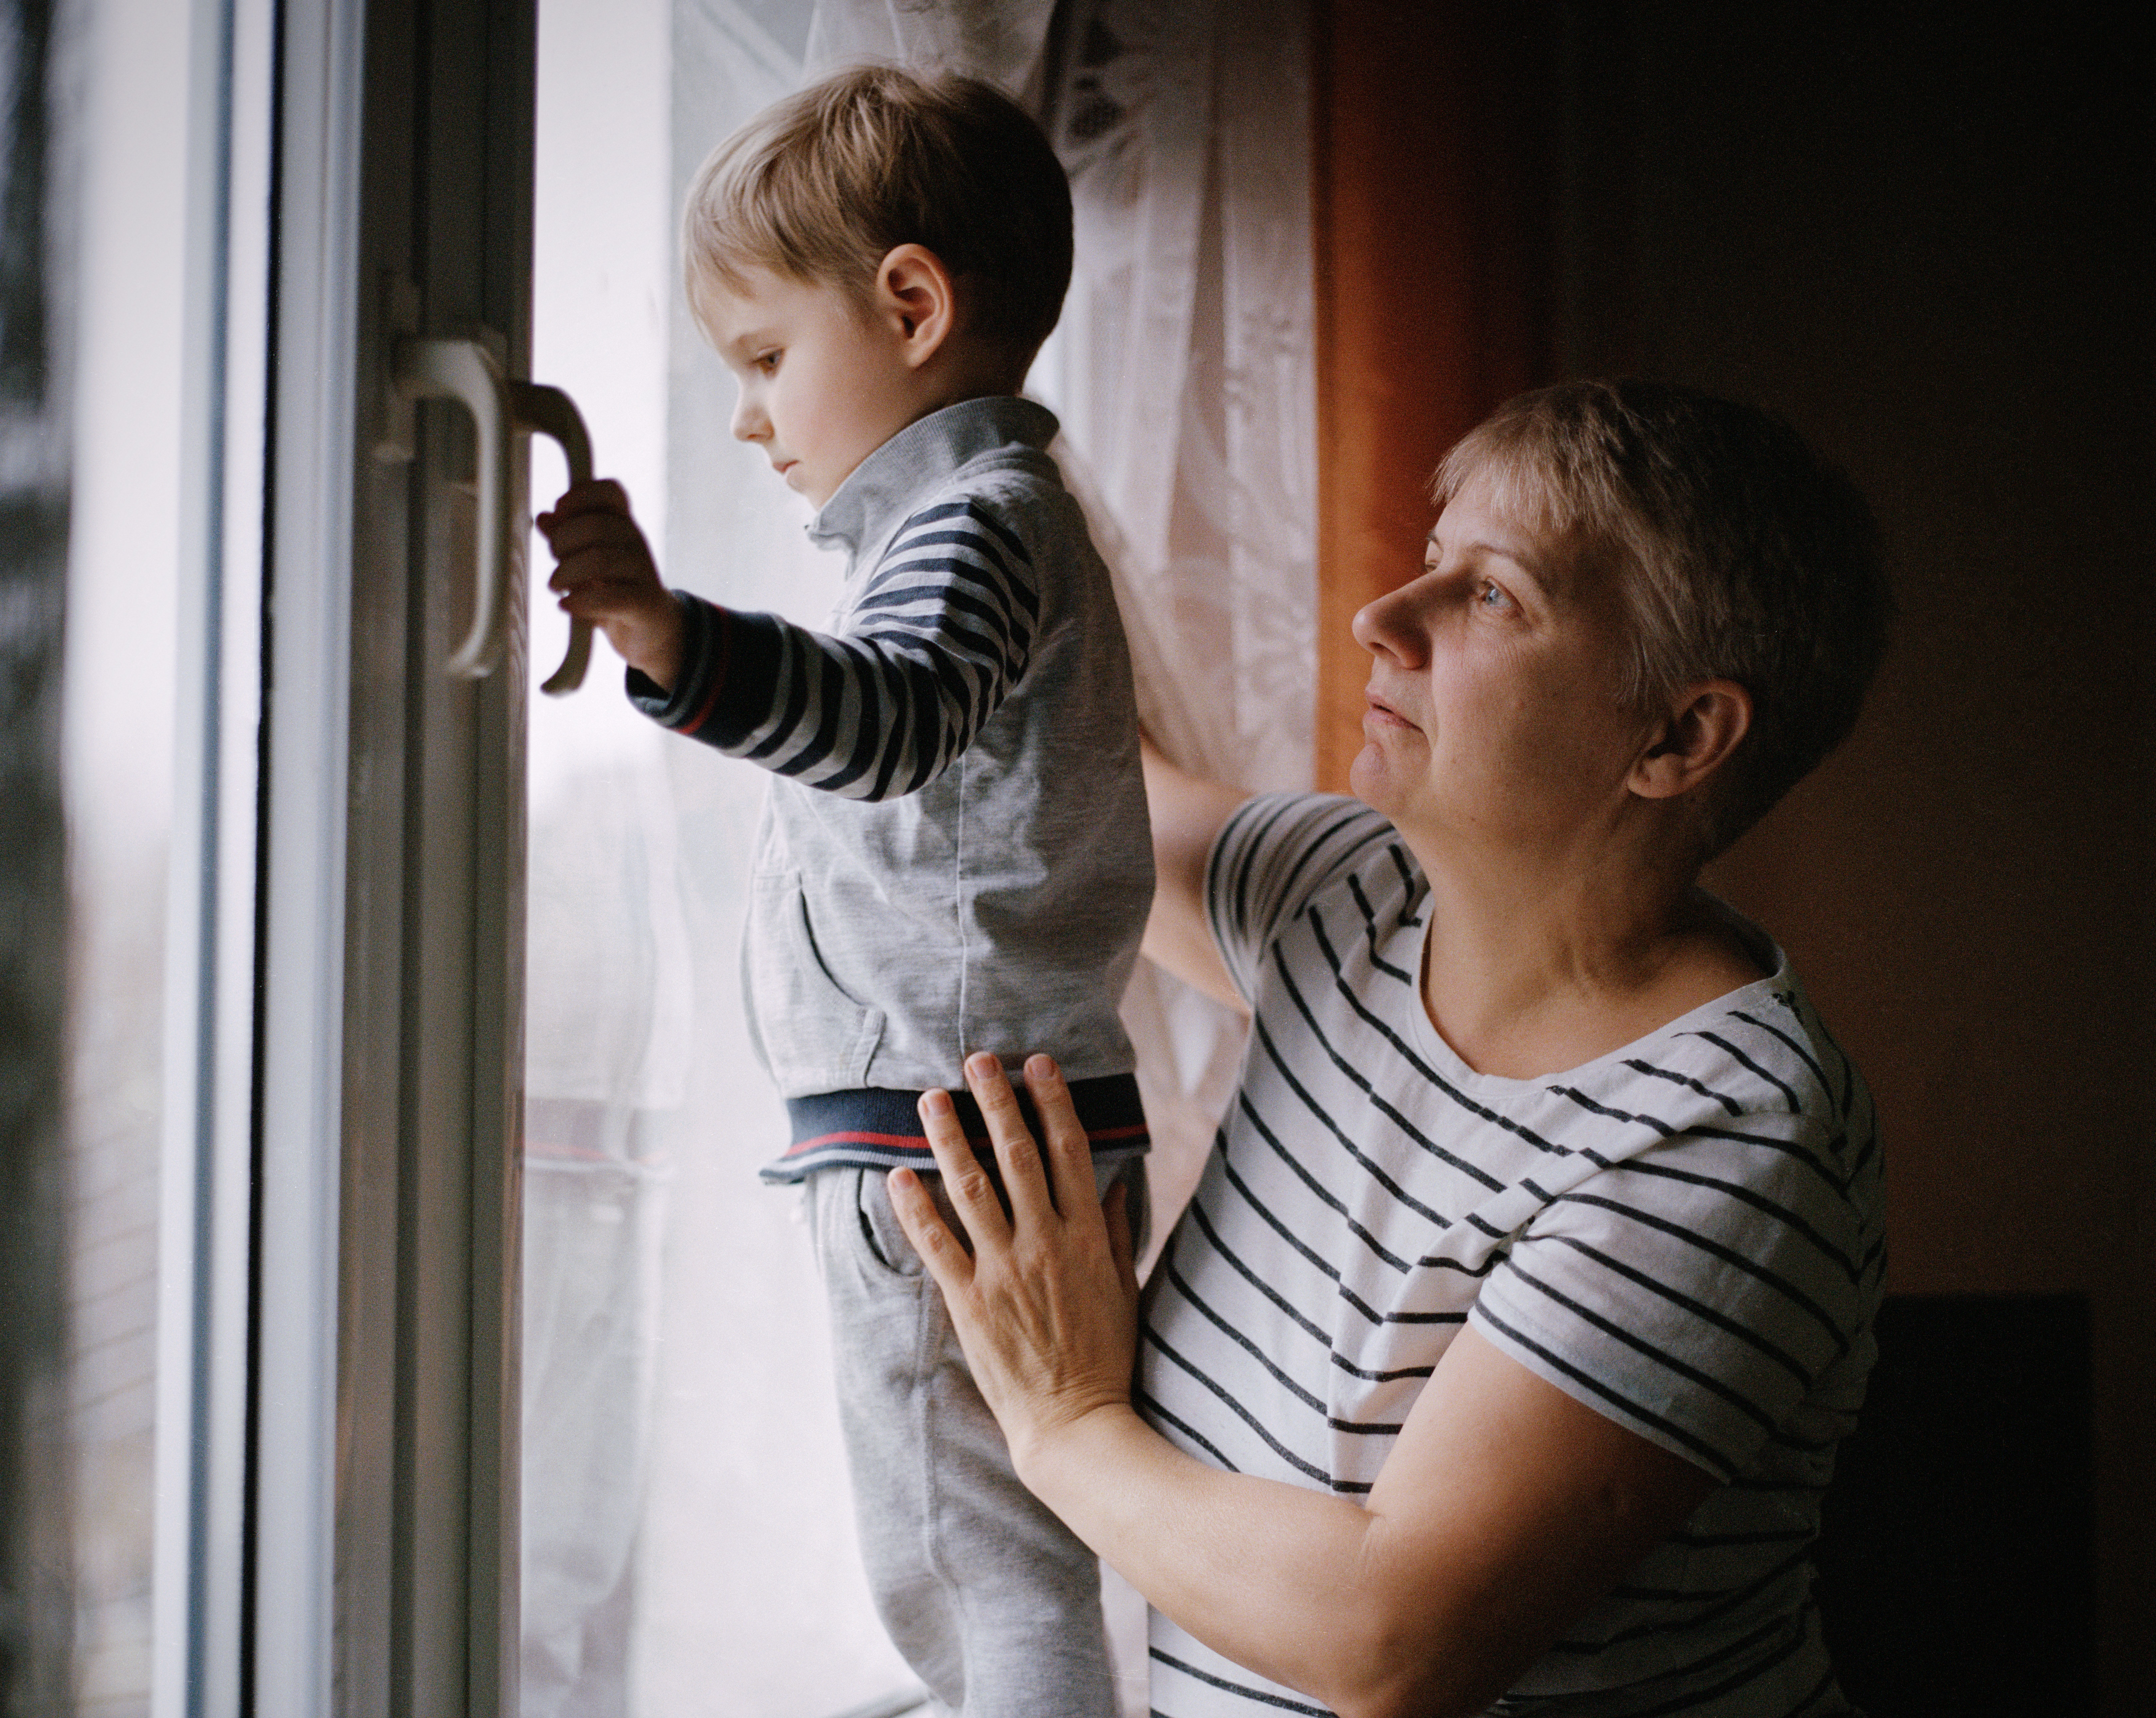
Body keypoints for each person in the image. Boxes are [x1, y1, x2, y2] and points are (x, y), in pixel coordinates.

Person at [888, 380, 1891, 1717]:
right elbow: (1081, 772)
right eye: (1434, 564)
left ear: (1677, 736)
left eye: (1491, 596)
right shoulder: (1346, 896)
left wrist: (1063, 1426)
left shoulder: (1731, 1143)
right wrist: (956, 468)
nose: (1381, 619)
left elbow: (1391, 1644)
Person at [537, 64, 1152, 1718]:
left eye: (762, 358)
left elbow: (885, 724)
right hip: (993, 1125)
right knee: (988, 1557)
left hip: (949, 1142)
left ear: (909, 305)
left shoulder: (976, 522)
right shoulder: (996, 523)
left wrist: (673, 639)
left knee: (971, 1570)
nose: (748, 415)